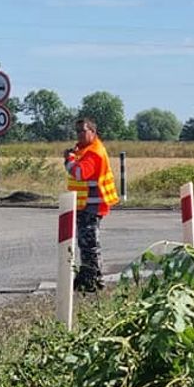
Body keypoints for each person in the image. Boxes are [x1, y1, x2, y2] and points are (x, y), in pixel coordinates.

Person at [64, 117, 119, 292]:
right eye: (77, 131)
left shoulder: (94, 152)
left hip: (91, 205)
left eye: (83, 131)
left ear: (93, 132)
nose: (79, 134)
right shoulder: (86, 149)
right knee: (87, 243)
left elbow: (80, 173)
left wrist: (69, 160)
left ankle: (92, 278)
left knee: (89, 243)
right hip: (87, 204)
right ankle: (89, 275)